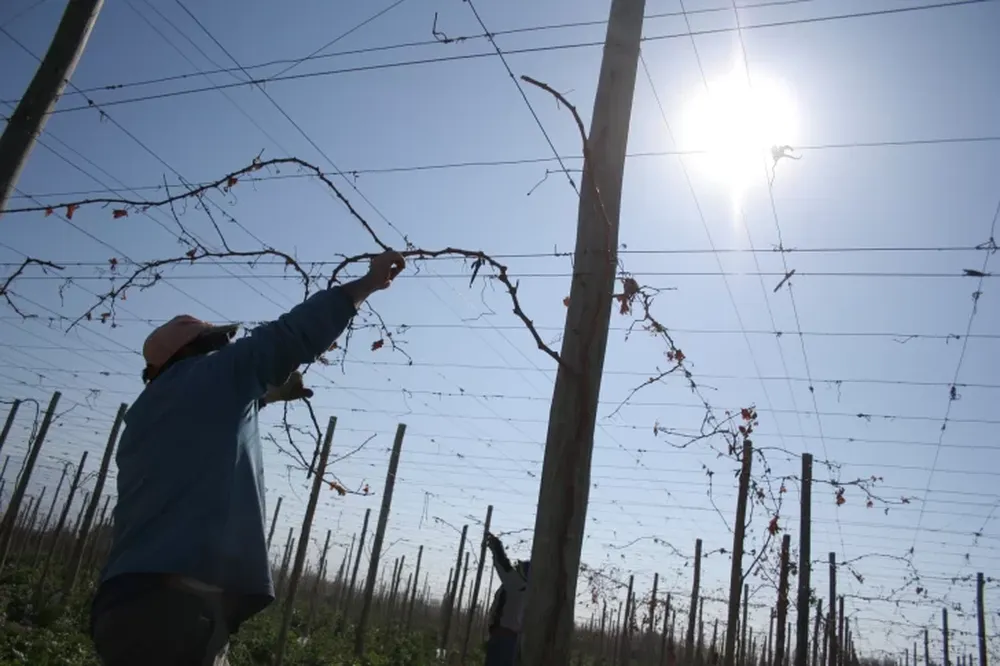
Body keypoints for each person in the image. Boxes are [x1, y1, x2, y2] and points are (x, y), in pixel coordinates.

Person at [89, 251, 405, 666]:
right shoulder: (212, 375)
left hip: (126, 606)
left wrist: (267, 396)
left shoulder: (145, 415)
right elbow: (288, 336)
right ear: (191, 352)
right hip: (174, 615)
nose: (225, 349)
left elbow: (205, 419)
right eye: (216, 344)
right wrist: (367, 284)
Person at [483, 532, 530, 666]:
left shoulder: (516, 584)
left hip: (503, 640)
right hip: (512, 641)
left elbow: (503, 565)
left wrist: (496, 545)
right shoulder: (527, 591)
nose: (515, 569)